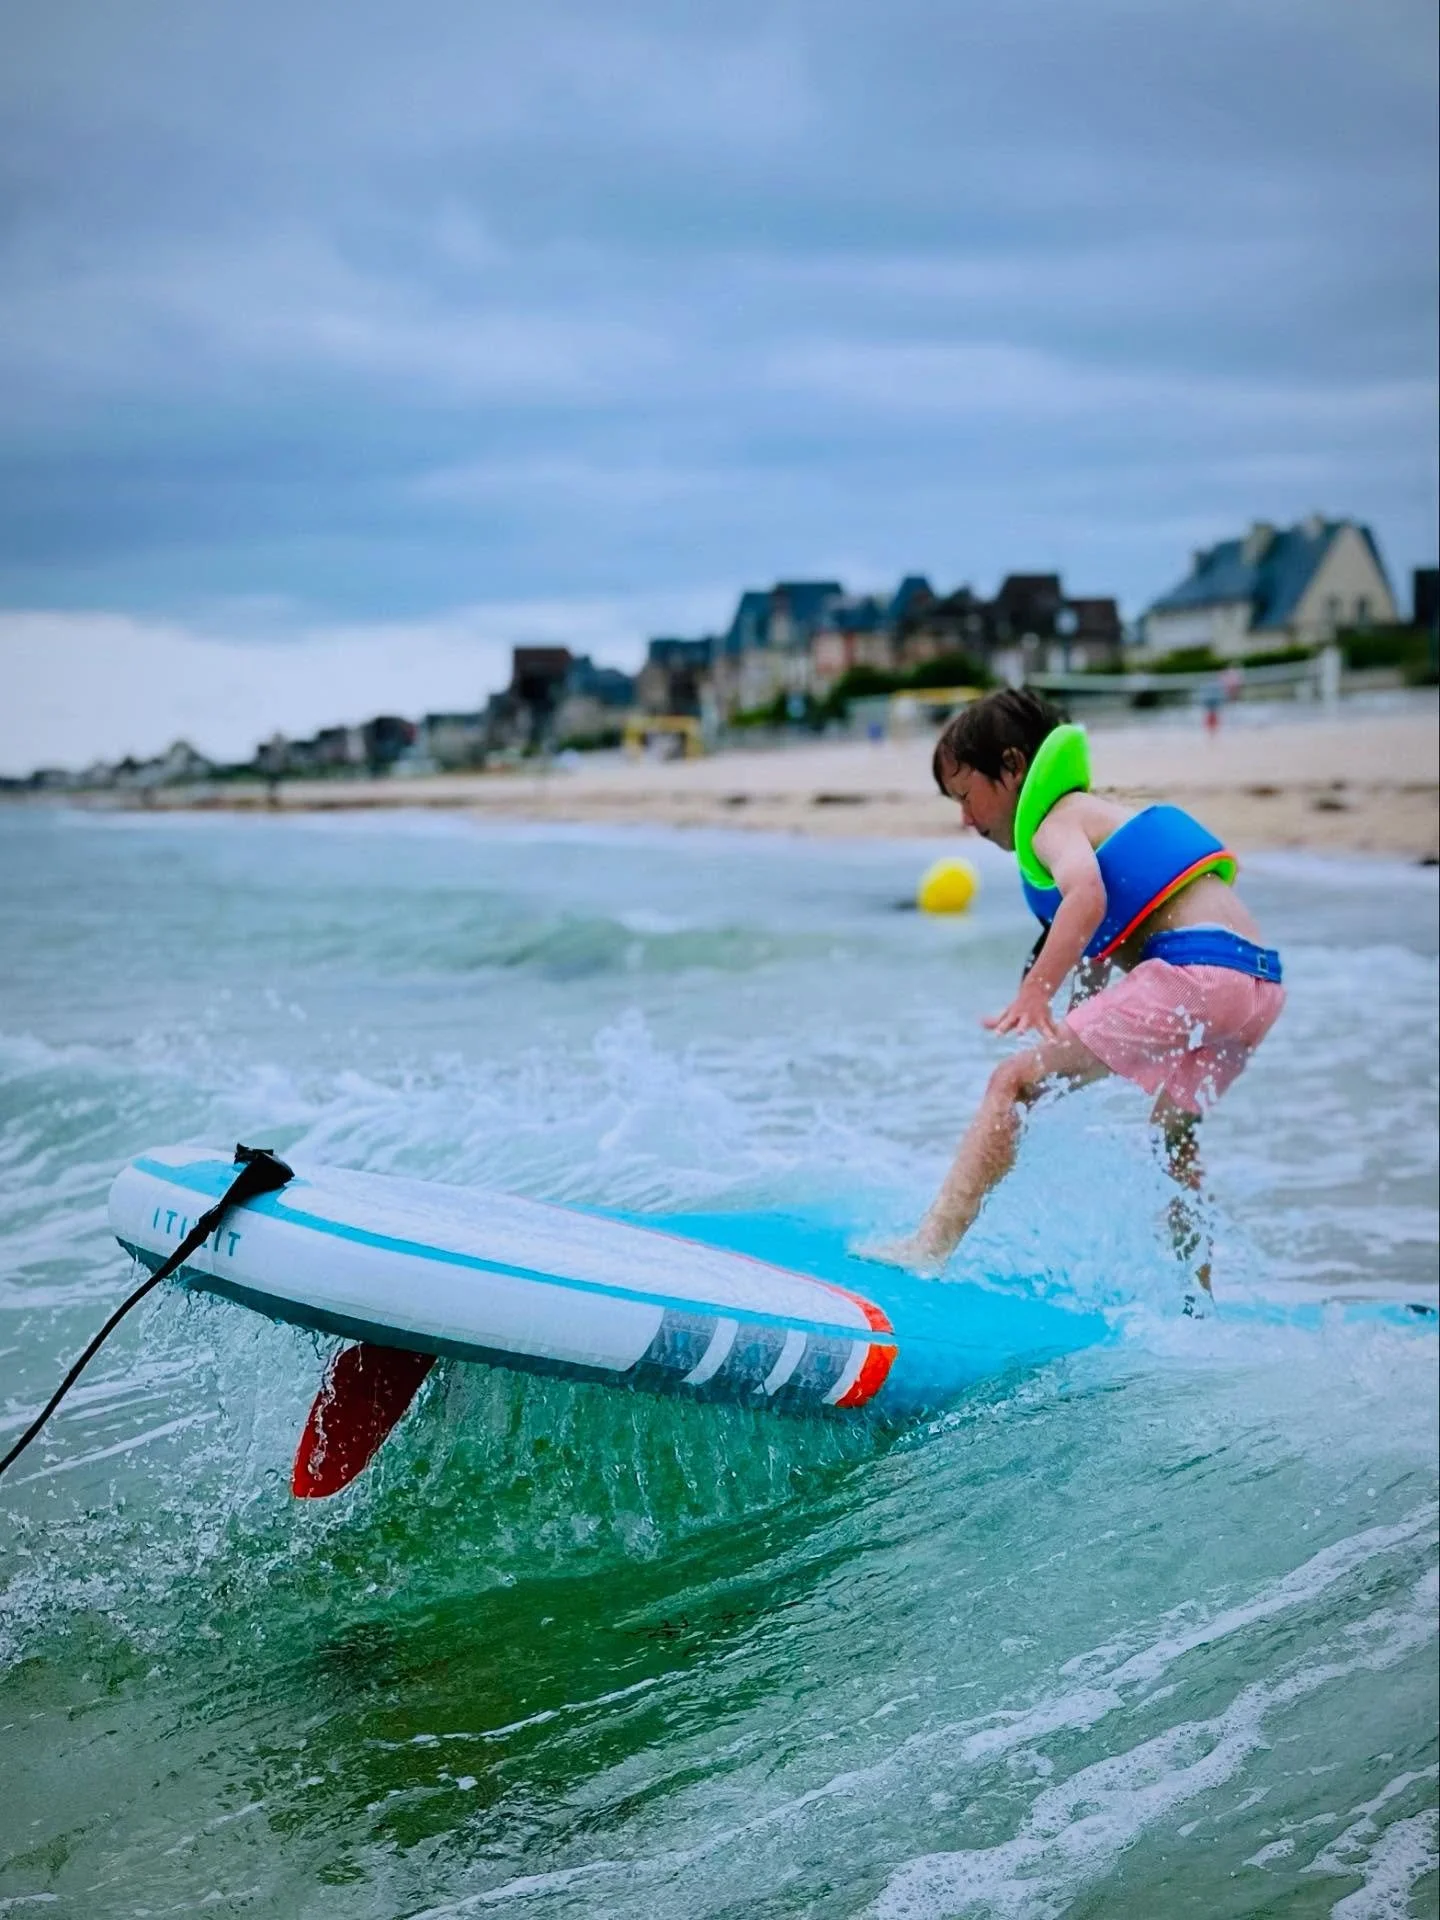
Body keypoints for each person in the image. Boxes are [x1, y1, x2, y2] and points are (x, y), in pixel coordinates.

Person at [884, 688, 1284, 1288]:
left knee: (1010, 1080)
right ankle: (1197, 1300)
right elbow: (1099, 948)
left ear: (1015, 766)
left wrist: (1035, 994)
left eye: (967, 796)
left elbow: (1087, 897)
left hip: (1196, 972)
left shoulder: (1054, 820)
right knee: (1172, 1143)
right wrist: (1067, 1029)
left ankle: (929, 1247)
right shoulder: (1101, 817)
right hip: (1257, 986)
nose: (965, 820)